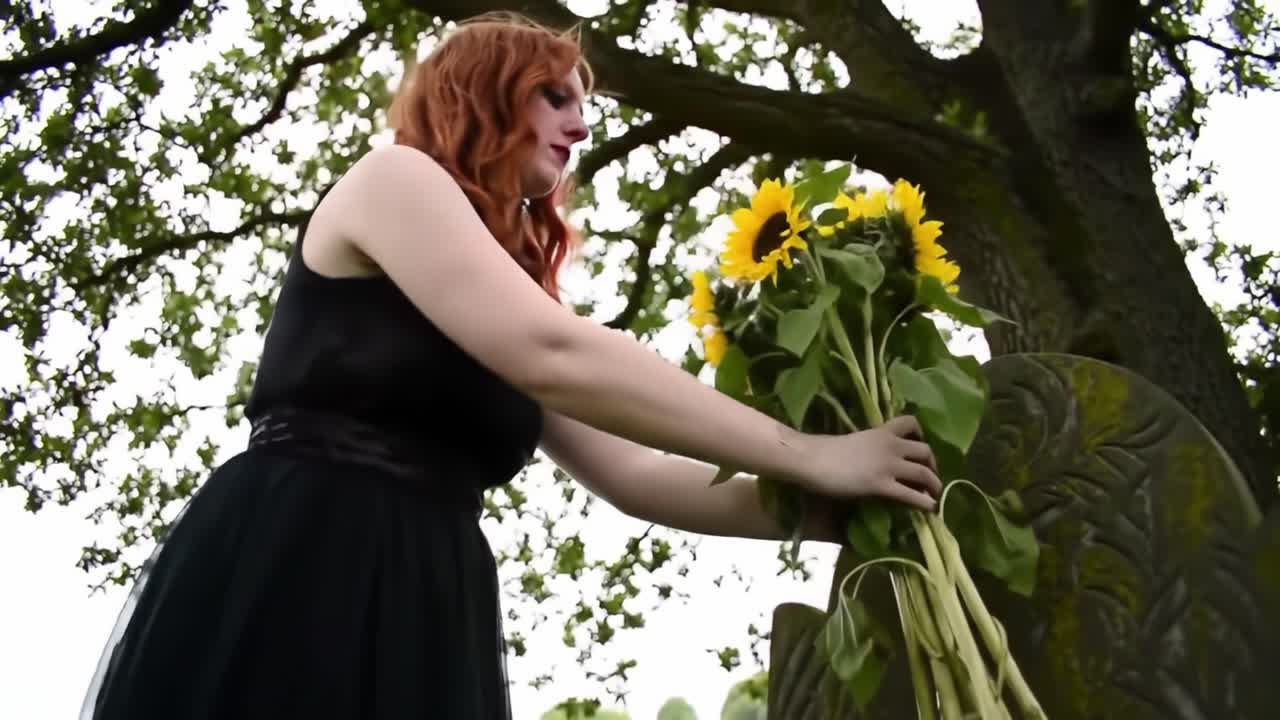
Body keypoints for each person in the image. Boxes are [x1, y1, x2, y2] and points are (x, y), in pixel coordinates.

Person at [80, 12, 940, 720]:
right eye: (553, 95)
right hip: (306, 557)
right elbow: (555, 353)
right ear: (482, 95)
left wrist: (823, 503)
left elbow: (636, 474)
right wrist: (807, 448)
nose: (581, 123)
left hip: (430, 591)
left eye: (582, 101)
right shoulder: (395, 182)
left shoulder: (513, 294)